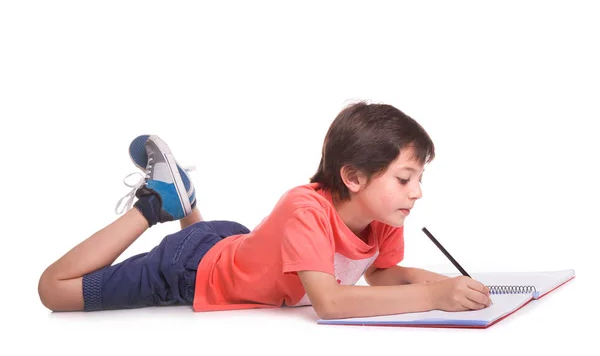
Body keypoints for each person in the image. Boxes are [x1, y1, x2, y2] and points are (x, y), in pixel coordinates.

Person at [38, 101, 492, 318]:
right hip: (189, 269)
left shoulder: (382, 215)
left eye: (418, 180)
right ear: (353, 178)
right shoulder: (306, 210)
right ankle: (157, 203)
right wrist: (433, 298)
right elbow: (330, 304)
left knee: (219, 244)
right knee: (54, 291)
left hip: (232, 242)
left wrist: (451, 284)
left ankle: (185, 202)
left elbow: (382, 275)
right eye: (404, 178)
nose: (416, 193)